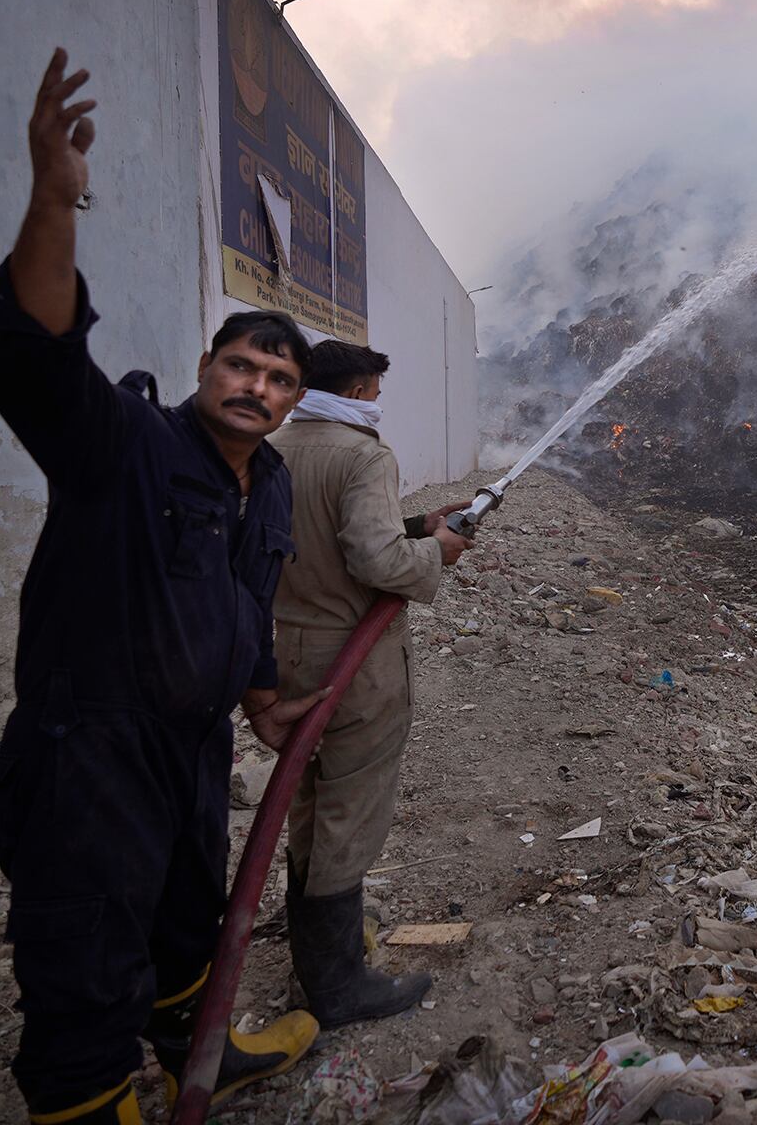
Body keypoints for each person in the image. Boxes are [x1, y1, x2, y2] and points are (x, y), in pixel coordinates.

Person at [0, 49, 324, 1124]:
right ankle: (86, 1103)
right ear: (206, 366)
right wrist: (53, 197)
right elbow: (38, 356)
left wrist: (261, 699)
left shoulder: (270, 483)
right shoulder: (121, 442)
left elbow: (247, 604)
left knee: (184, 919)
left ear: (291, 402)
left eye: (278, 379)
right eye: (241, 366)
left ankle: (196, 1057)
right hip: (90, 752)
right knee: (87, 954)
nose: (256, 386)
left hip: (192, 747)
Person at [269, 341, 472, 1024]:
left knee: (307, 797)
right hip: (354, 663)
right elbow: (376, 562)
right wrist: (437, 550)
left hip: (294, 648)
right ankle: (336, 986)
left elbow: (320, 536)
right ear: (358, 391)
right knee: (351, 807)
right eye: (376, 392)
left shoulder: (277, 447)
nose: (378, 404)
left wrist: (419, 525)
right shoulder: (363, 454)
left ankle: (311, 944)